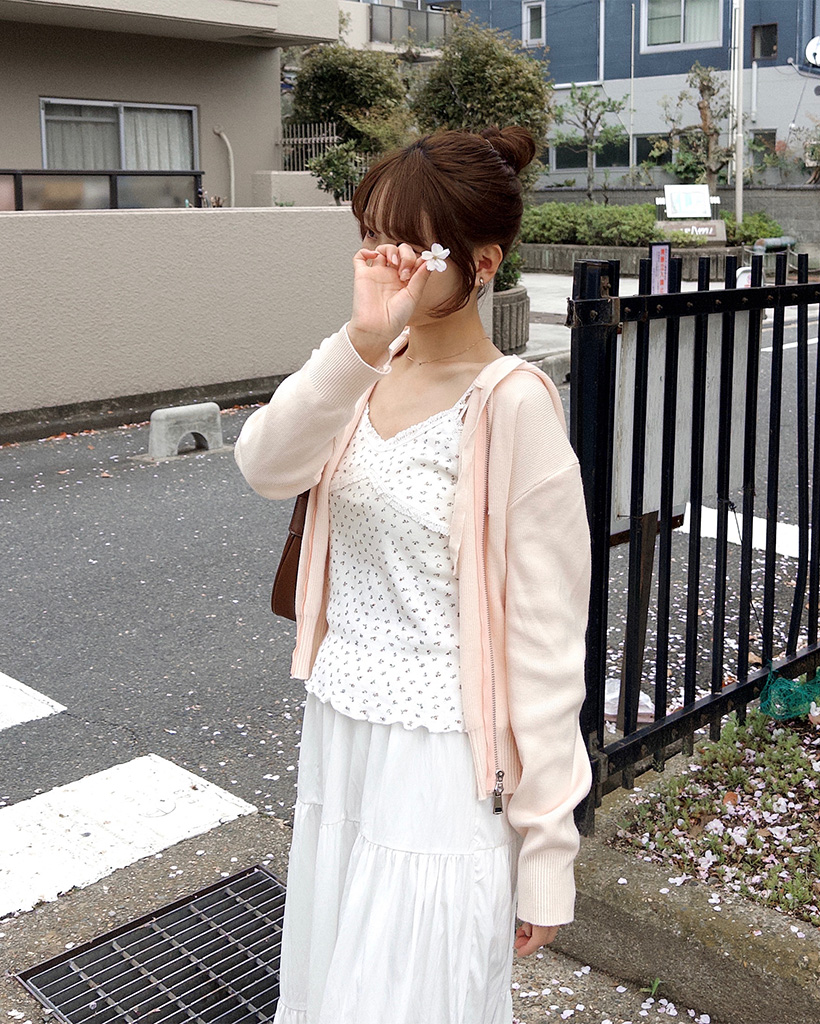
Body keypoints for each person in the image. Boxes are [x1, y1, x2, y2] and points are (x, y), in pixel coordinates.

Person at [234, 126, 592, 1024]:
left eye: (413, 245)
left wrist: (546, 853)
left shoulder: (512, 407)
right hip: (341, 730)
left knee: (406, 997)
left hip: (441, 758)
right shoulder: (361, 366)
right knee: (334, 985)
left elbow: (547, 644)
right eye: (373, 235)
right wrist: (361, 338)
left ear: (482, 262)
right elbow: (265, 466)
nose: (387, 261)